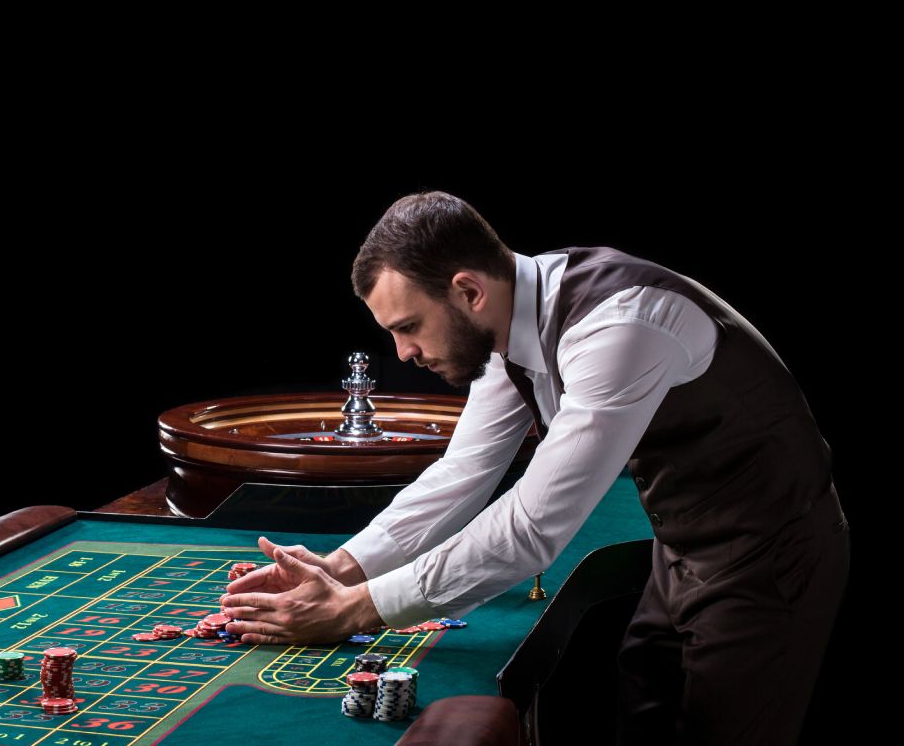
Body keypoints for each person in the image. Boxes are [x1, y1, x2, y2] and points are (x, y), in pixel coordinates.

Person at [220, 191, 849, 745]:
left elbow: (532, 527)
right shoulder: (503, 325)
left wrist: (355, 610)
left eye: (409, 326)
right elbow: (462, 472)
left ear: (468, 290)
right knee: (642, 716)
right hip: (683, 547)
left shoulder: (619, 326)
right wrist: (341, 568)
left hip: (772, 553)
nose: (403, 353)